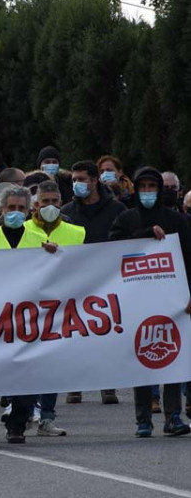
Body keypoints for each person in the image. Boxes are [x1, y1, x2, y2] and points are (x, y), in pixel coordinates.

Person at [0, 185, 57, 444]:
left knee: (26, 373)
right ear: (2, 209)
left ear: (29, 210)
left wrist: (55, 254)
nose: (15, 213)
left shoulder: (40, 239)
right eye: (11, 208)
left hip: (28, 317)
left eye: (21, 208)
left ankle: (17, 424)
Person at [110, 167, 191, 438]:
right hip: (136, 301)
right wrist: (143, 235)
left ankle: (173, 417)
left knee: (173, 356)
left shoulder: (177, 220)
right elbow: (110, 252)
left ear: (160, 189)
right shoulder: (126, 218)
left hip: (173, 301)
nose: (147, 192)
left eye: (151, 187)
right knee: (141, 358)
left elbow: (189, 258)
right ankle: (143, 419)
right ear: (135, 189)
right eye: (142, 187)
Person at [22, 180, 86, 436]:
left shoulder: (77, 232)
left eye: (54, 201)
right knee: (27, 365)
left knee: (52, 365)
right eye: (44, 202)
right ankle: (25, 412)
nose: (49, 206)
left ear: (61, 203)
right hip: (26, 308)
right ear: (35, 205)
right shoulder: (21, 230)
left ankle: (47, 417)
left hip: (61, 308)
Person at [60, 161, 126, 405]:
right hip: (74, 281)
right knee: (74, 332)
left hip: (107, 280)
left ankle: (107, 384)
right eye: (74, 180)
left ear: (95, 180)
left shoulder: (116, 209)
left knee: (105, 331)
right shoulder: (67, 211)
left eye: (82, 179)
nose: (77, 184)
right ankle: (75, 384)